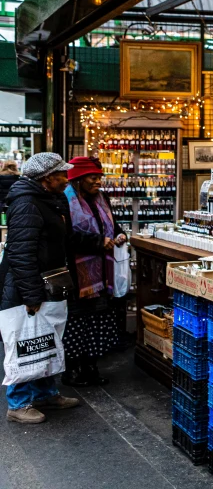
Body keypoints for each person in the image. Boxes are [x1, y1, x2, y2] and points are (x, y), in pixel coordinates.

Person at [0, 153, 82, 424]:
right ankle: (18, 403)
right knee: (24, 339)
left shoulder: (49, 199)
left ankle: (46, 392)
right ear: (47, 178)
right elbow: (21, 253)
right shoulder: (26, 203)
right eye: (62, 174)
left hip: (50, 281)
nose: (66, 179)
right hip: (30, 285)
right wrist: (31, 293)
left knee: (45, 338)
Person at [61, 157, 125, 387]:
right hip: (79, 275)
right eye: (93, 177)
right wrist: (99, 241)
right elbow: (67, 237)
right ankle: (73, 370)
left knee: (97, 320)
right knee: (77, 321)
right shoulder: (65, 200)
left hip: (100, 273)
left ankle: (91, 367)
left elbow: (111, 224)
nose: (98, 182)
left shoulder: (101, 199)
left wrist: (119, 234)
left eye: (100, 177)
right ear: (78, 179)